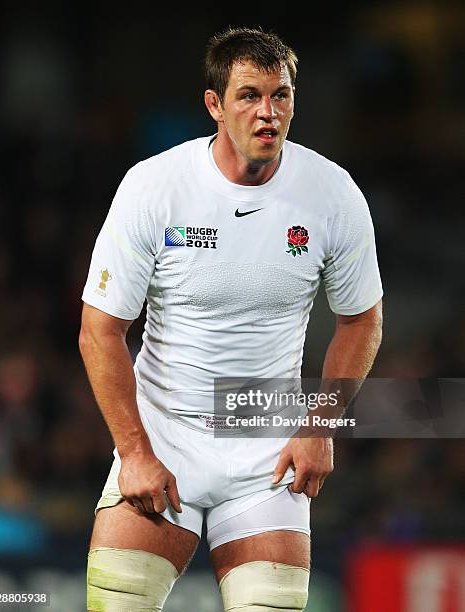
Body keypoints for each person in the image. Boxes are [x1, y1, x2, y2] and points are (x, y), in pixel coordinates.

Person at [79, 26, 383, 612]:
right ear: (214, 104)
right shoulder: (155, 186)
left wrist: (320, 426)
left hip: (265, 453)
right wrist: (135, 452)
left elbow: (361, 321)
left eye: (281, 95)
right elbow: (101, 328)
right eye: (249, 95)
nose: (268, 113)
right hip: (163, 438)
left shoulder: (332, 193)